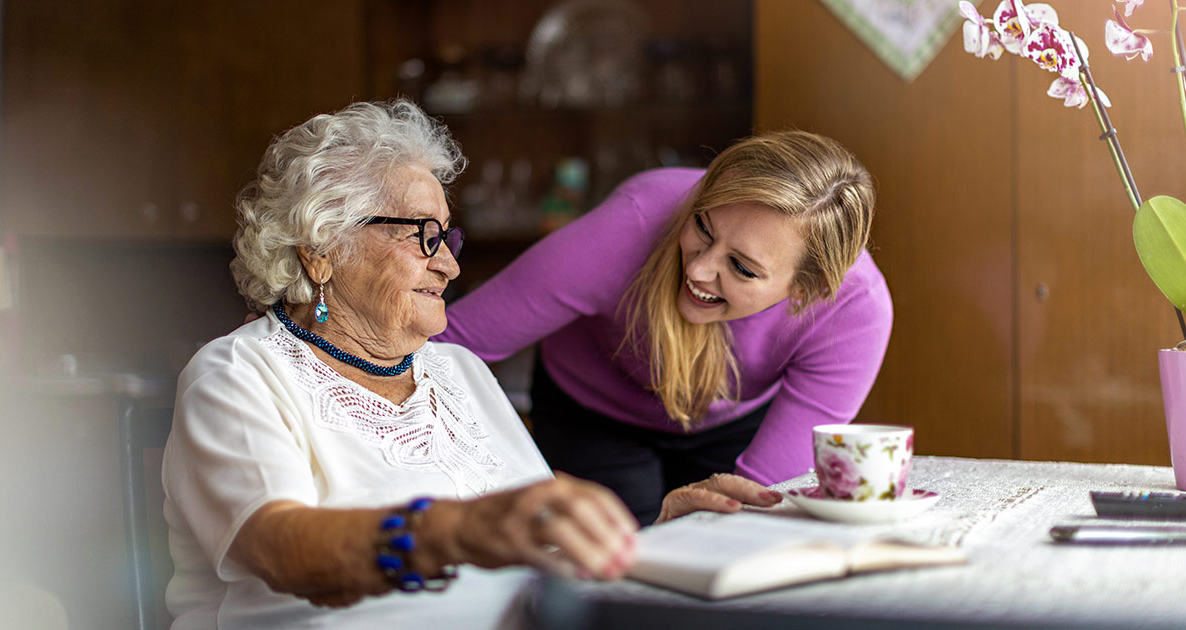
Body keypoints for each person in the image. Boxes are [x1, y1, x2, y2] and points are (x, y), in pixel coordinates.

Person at [162, 100, 782, 630]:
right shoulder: (239, 376)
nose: (450, 267)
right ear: (322, 250)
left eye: (447, 239)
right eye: (421, 237)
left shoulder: (456, 370)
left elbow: (534, 543)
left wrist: (660, 530)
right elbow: (282, 551)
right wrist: (455, 531)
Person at [437, 130, 892, 525]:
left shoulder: (855, 312)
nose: (699, 270)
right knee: (609, 570)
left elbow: (757, 504)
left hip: (732, 421)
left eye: (741, 267)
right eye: (703, 226)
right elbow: (446, 342)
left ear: (806, 290)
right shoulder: (632, 223)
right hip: (593, 410)